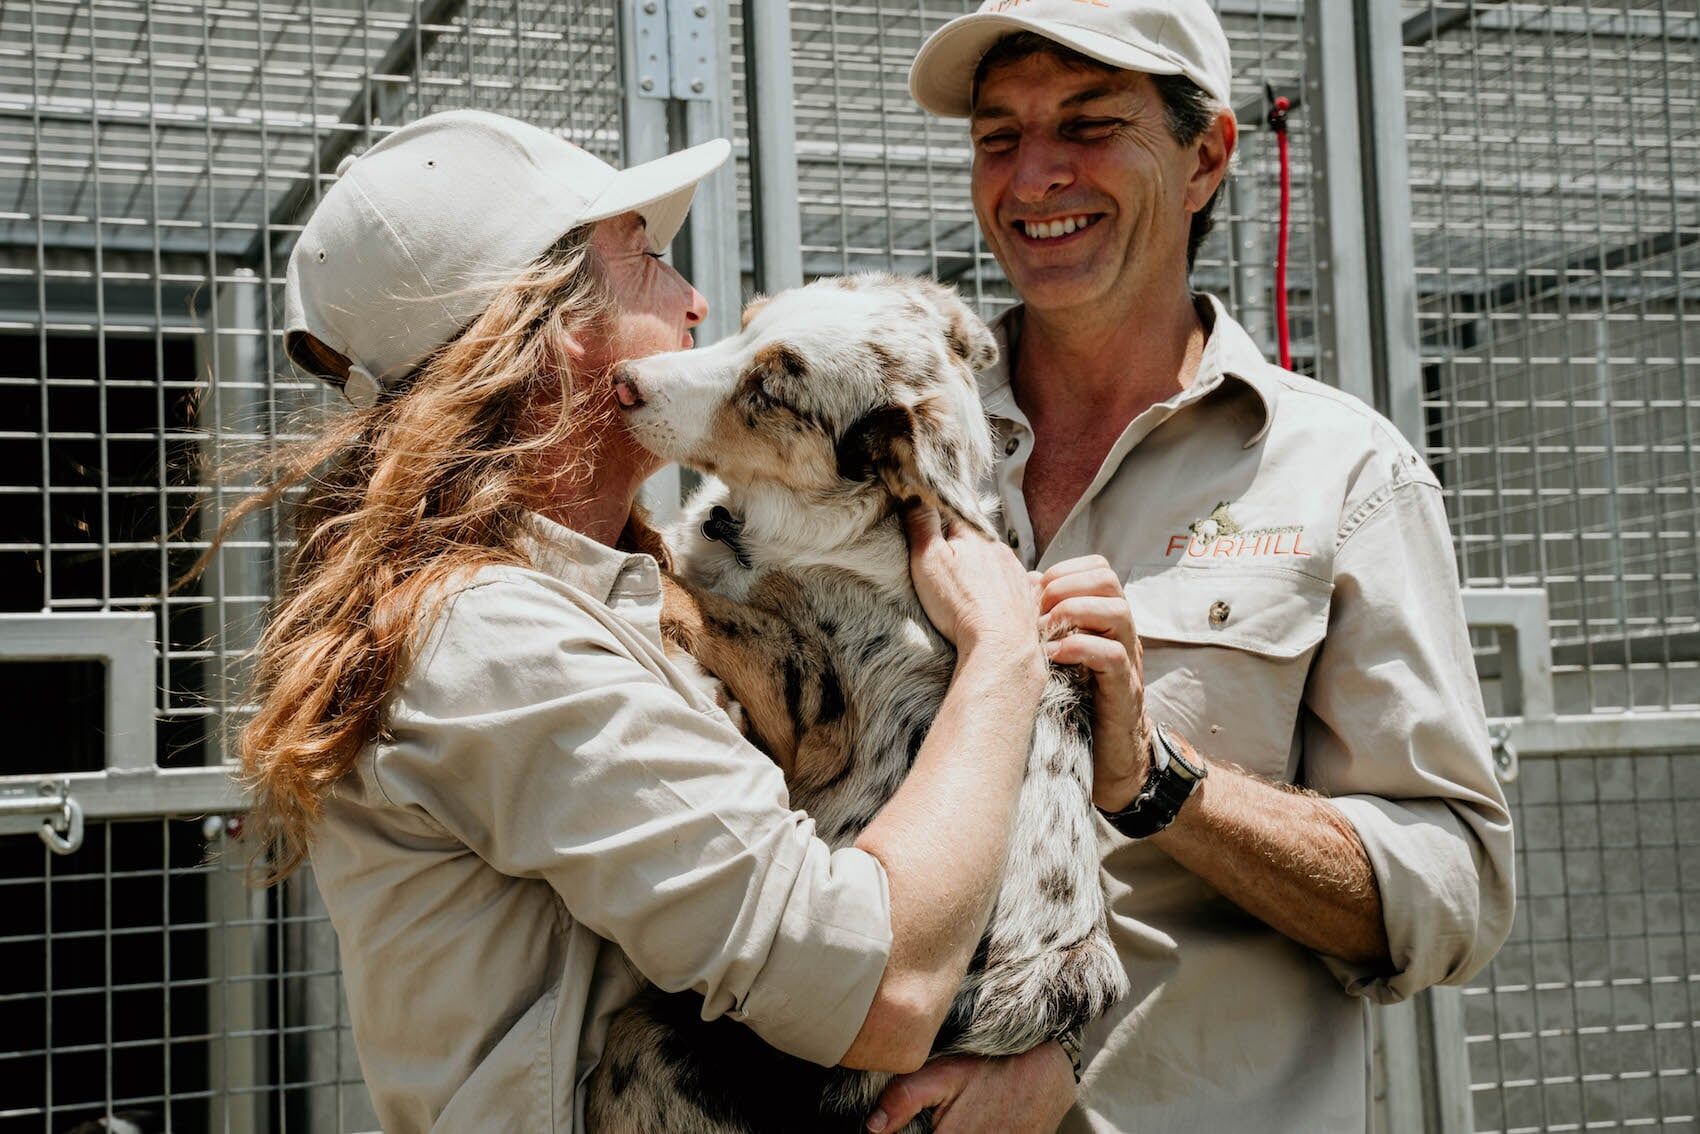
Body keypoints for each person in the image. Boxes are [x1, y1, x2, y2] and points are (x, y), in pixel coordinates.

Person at [197, 109, 1062, 1133]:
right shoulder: (493, 642)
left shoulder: (613, 586)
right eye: (644, 257)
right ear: (558, 325)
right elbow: (873, 990)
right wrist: (1005, 658)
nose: (695, 300)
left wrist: (1040, 1064)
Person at [871, 2, 1517, 1131]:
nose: (1032, 178)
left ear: (1206, 154)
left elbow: (1451, 894)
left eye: (1086, 124)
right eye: (996, 137)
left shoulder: (1341, 474)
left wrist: (1163, 785)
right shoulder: (893, 448)